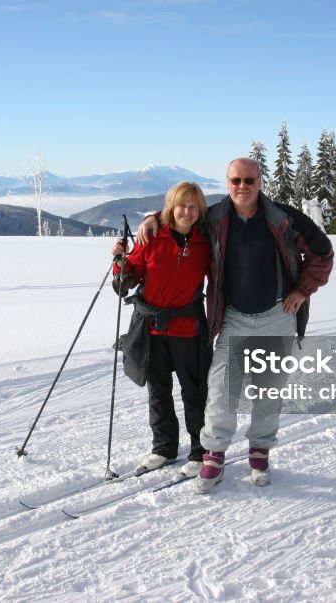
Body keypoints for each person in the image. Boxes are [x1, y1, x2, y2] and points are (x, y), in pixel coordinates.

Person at [138, 158, 333, 492]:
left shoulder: (284, 218)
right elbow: (183, 217)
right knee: (221, 390)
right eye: (235, 181)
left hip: (277, 316)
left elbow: (323, 253)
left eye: (249, 181)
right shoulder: (215, 217)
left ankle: (259, 452)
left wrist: (302, 290)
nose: (242, 187)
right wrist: (156, 218)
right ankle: (214, 455)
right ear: (227, 183)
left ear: (260, 182)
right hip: (234, 318)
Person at [112, 182, 213, 477]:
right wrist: (119, 262)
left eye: (193, 206)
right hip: (152, 330)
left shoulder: (206, 241)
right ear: (171, 208)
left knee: (195, 393)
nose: (187, 211)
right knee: (158, 393)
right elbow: (126, 281)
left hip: (189, 329)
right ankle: (164, 448)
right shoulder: (152, 237)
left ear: (200, 211)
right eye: (181, 205)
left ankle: (200, 451)